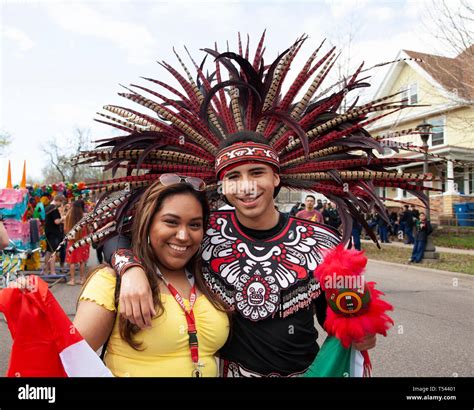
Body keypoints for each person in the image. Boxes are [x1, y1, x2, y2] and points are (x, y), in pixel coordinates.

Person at [71, 33, 439, 377]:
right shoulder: (205, 231)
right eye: (233, 176)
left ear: (276, 177)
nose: (246, 186)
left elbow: (338, 315)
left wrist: (359, 328)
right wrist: (131, 268)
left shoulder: (321, 241)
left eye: (257, 172)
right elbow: (121, 235)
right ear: (223, 185)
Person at [73, 179, 230, 377]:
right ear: (148, 223)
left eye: (194, 225)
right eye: (171, 222)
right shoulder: (112, 281)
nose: (183, 235)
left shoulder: (209, 278)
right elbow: (67, 361)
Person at [64, 200, 90, 285]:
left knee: (72, 262)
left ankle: (72, 280)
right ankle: (82, 279)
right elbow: (88, 229)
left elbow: (65, 229)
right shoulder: (84, 217)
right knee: (82, 261)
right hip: (82, 241)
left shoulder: (69, 216)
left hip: (72, 241)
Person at [43, 195, 66, 275]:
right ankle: (53, 271)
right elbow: (56, 221)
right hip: (54, 233)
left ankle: (46, 270)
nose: (61, 204)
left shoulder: (48, 207)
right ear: (58, 200)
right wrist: (63, 218)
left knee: (48, 252)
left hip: (48, 232)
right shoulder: (54, 209)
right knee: (54, 252)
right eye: (61, 202)